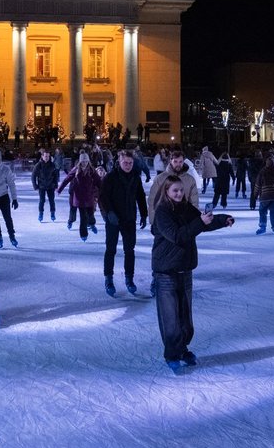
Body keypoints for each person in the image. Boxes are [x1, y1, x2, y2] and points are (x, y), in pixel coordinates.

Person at [151, 174, 235, 373]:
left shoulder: (186, 207)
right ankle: (172, 354)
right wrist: (200, 222)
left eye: (181, 190)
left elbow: (202, 222)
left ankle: (182, 349)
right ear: (166, 192)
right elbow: (177, 236)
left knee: (186, 319)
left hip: (184, 269)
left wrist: (223, 220)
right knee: (170, 318)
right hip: (166, 272)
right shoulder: (162, 212)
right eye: (175, 191)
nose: (179, 193)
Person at [98, 149, 149, 296]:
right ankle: (108, 279)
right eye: (125, 162)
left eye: (130, 163)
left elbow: (140, 196)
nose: (128, 165)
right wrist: (109, 213)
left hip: (129, 219)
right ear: (119, 162)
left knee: (129, 250)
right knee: (111, 250)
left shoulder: (135, 177)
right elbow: (103, 197)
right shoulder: (111, 177)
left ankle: (129, 278)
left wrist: (144, 215)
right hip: (113, 220)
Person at [58, 151, 103, 241]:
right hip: (79, 197)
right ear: (80, 161)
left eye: (86, 161)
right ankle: (83, 234)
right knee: (83, 217)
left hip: (89, 196)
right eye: (83, 161)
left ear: (88, 161)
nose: (84, 163)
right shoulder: (76, 170)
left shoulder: (92, 170)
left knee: (91, 214)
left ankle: (92, 224)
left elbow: (99, 181)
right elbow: (67, 179)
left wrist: (105, 190)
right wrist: (60, 189)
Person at [148, 148, 199, 212]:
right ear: (170, 161)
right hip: (165, 217)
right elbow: (152, 200)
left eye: (180, 162)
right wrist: (153, 220)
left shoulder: (190, 180)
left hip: (184, 217)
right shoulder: (160, 178)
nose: (178, 164)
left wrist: (194, 218)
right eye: (175, 161)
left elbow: (194, 202)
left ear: (183, 162)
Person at [32, 149, 60, 222]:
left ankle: (52, 213)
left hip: (51, 186)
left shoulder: (52, 165)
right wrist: (35, 186)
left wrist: (56, 185)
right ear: (42, 156)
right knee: (42, 200)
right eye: (45, 156)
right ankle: (41, 214)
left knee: (52, 200)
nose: (46, 157)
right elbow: (33, 175)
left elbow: (55, 176)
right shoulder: (39, 165)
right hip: (42, 186)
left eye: (48, 156)